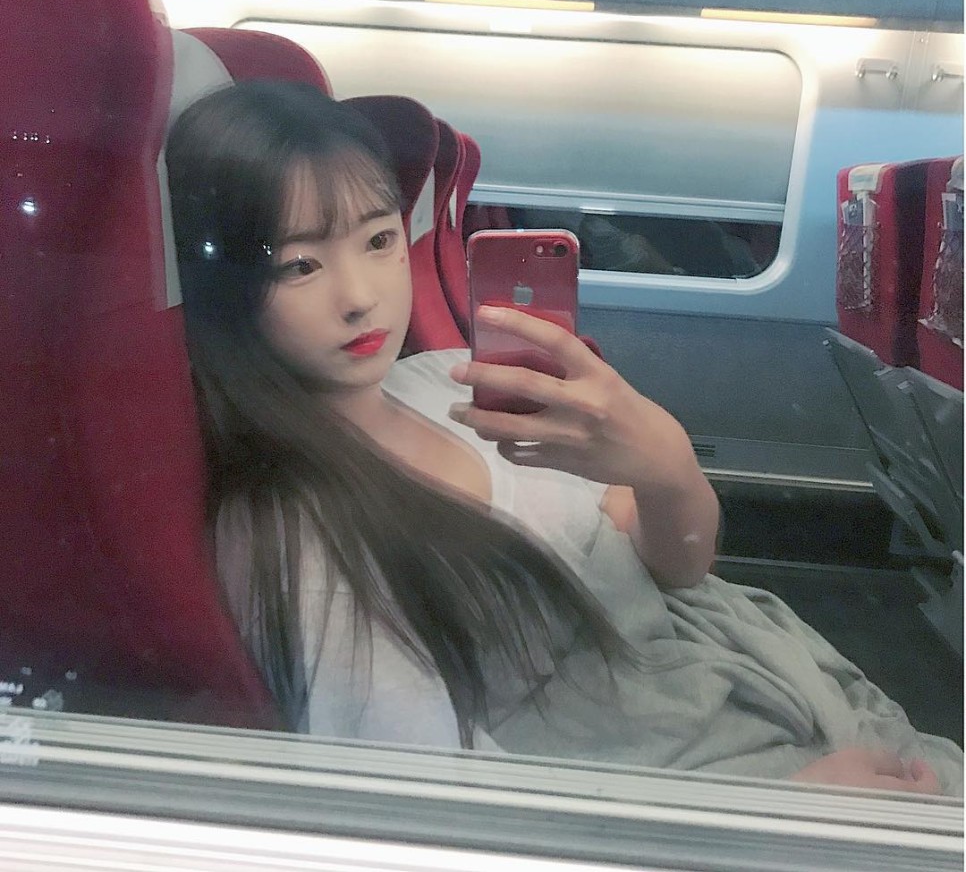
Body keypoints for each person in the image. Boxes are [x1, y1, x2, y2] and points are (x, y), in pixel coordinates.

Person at [166, 80, 961, 796]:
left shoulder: (448, 378)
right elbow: (432, 806)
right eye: (300, 266)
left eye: (378, 241)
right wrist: (784, 810)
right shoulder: (300, 539)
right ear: (223, 288)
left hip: (737, 682)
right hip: (685, 796)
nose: (360, 297)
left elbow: (680, 567)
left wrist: (666, 466)